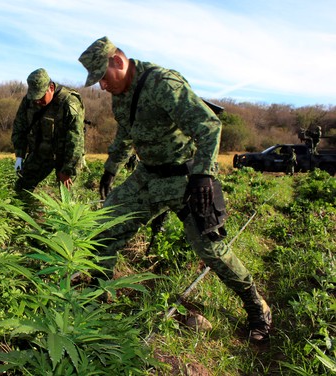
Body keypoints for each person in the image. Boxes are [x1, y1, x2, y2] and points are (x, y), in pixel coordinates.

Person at [78, 36, 271, 343]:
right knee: (106, 225)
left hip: (185, 177)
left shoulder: (163, 83)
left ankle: (256, 307)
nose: (102, 85)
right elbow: (125, 133)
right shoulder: (120, 95)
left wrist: (204, 175)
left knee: (210, 249)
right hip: (148, 175)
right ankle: (97, 295)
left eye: (103, 77)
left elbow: (208, 125)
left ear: (119, 61)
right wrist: (111, 168)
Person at [11, 68, 86, 198]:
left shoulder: (69, 102)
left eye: (40, 96)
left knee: (68, 198)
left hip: (66, 156)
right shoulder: (28, 101)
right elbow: (19, 127)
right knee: (21, 189)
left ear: (51, 87)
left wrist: (67, 169)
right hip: (41, 152)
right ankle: (24, 216)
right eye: (34, 97)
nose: (37, 101)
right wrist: (19, 155)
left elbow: (76, 140)